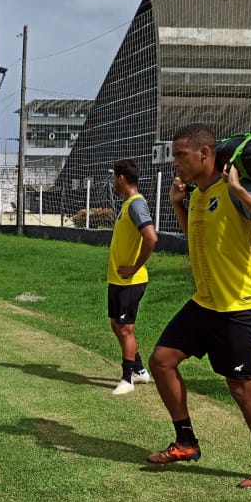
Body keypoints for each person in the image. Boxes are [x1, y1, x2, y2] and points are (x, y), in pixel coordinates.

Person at [147, 123, 251, 489]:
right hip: (207, 302)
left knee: (241, 386)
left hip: (242, 305)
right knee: (161, 361)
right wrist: (179, 204)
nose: (175, 162)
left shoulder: (234, 190)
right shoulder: (197, 194)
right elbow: (197, 236)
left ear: (205, 154)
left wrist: (241, 191)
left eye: (181, 155)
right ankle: (186, 442)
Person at [106, 159, 158, 395]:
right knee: (116, 325)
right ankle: (138, 369)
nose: (112, 183)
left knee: (126, 328)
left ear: (122, 178)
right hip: (117, 280)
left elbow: (151, 238)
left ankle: (127, 379)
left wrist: (135, 267)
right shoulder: (127, 205)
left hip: (131, 281)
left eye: (113, 178)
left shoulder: (136, 204)